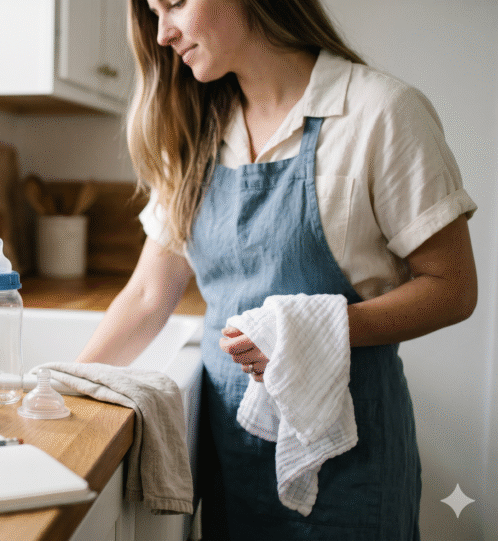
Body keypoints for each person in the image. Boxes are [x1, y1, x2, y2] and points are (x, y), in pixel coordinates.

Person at [73, 0, 478, 539]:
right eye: (152, 13)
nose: (163, 33)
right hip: (233, 457)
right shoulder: (194, 130)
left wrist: (304, 336)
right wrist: (63, 392)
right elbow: (150, 294)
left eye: (173, 4)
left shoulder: (379, 112)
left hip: (353, 464)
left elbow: (452, 287)